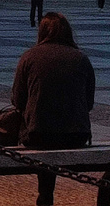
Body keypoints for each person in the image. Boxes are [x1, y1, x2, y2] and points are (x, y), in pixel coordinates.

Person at [11, 12, 95, 206]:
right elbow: (88, 103)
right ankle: (45, 193)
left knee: (44, 134)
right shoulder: (81, 58)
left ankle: (45, 192)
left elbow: (17, 100)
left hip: (38, 134)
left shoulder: (29, 57)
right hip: (76, 134)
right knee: (52, 133)